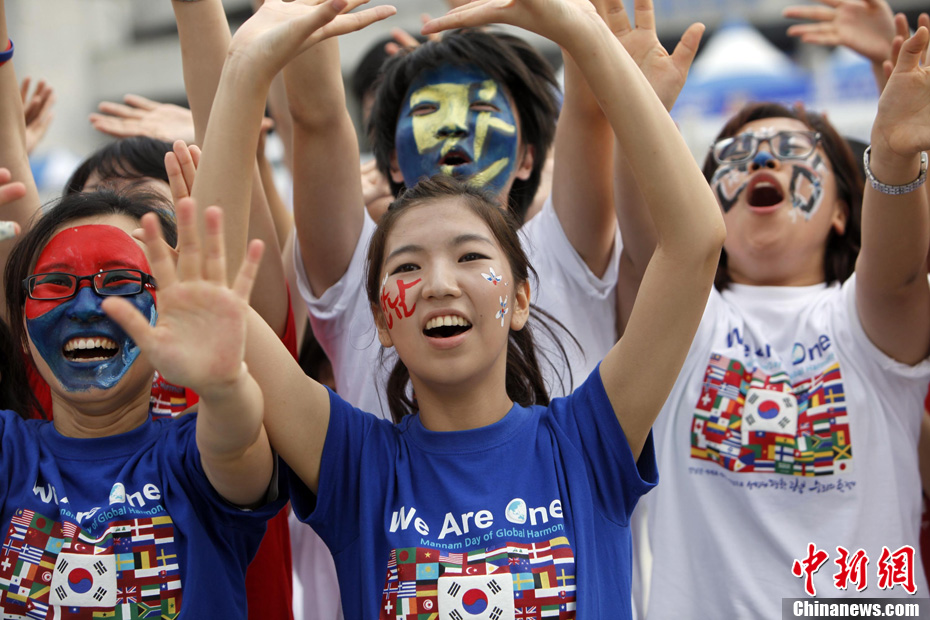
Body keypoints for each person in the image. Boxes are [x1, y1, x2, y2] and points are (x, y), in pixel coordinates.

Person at [175, 0, 724, 617]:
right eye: (406, 266)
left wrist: (583, 33)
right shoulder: (357, 467)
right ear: (381, 319)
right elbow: (219, 297)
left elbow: (695, 242)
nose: (438, 283)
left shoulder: (589, 441)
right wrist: (247, 66)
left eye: (468, 257)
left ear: (520, 298)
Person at [610, 14, 930, 614]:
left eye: (791, 153)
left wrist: (890, 157)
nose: (763, 164)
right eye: (739, 156)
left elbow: (900, 275)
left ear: (841, 211)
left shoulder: (863, 324)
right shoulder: (683, 323)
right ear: (704, 204)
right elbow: (649, 241)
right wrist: (637, 111)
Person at [286, 0, 623, 421]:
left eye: (482, 109)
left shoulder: (564, 252)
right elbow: (315, 117)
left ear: (527, 158)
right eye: (426, 110)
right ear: (391, 159)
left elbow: (591, 110)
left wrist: (582, 28)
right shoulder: (362, 273)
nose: (453, 125)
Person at [0, 189, 283, 617]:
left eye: (120, 282)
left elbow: (239, 443)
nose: (86, 307)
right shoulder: (9, 452)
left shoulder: (190, 459)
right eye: (57, 284)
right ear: (21, 330)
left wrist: (224, 381)